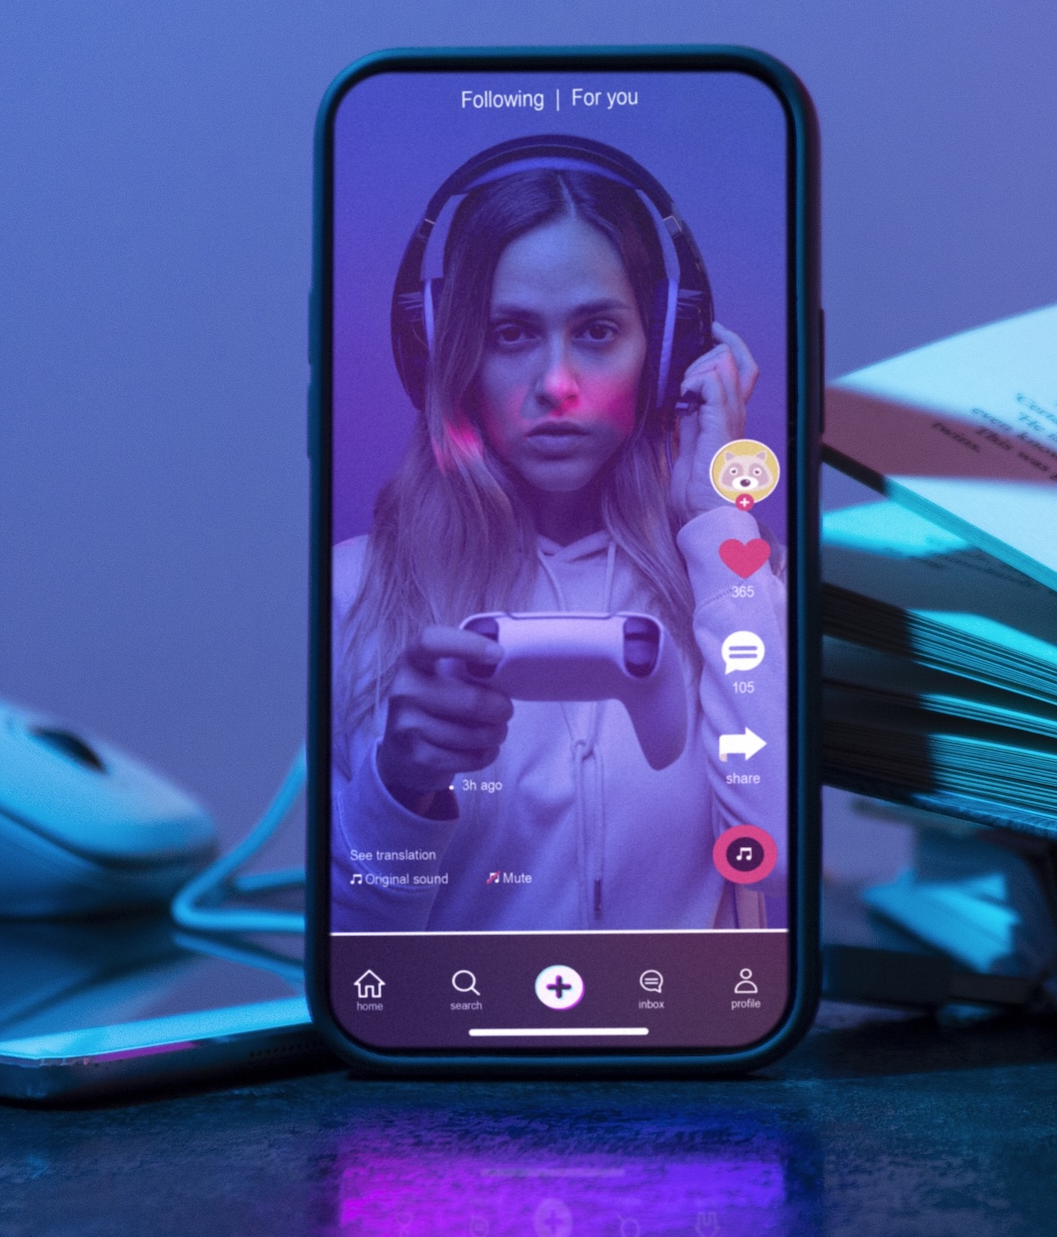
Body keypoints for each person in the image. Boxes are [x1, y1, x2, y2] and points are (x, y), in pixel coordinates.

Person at [328, 157, 785, 933]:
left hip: (679, 1036)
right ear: (451, 351)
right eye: (511, 334)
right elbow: (364, 942)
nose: (558, 384)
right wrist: (399, 786)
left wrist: (717, 524)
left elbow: (773, 855)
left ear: (667, 348)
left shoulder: (735, 588)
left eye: (597, 331)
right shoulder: (355, 591)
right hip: (455, 1043)